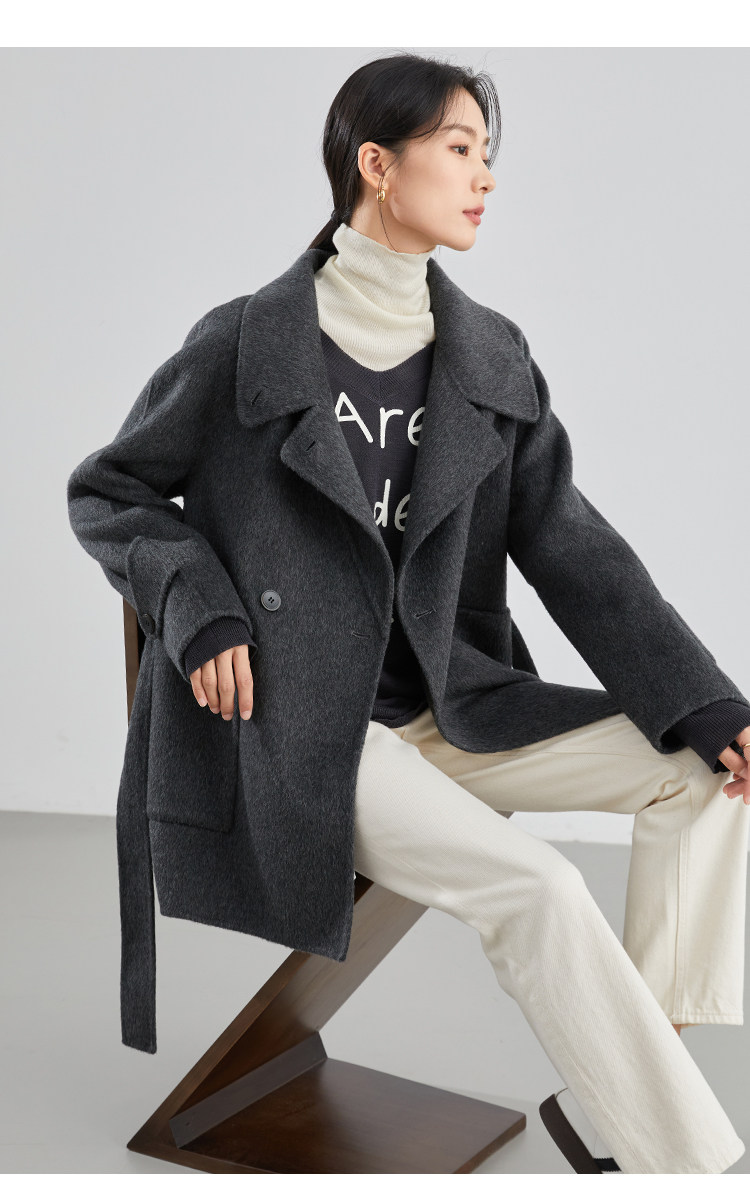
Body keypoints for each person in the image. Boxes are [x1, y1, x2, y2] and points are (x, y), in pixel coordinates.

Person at [68, 52, 750, 1173]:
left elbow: (576, 550)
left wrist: (707, 698)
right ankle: (684, 1159)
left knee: (706, 772)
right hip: (309, 729)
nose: (486, 177)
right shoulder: (246, 342)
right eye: (461, 148)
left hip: (454, 705)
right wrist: (201, 609)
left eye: (489, 154)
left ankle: (626, 1085)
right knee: (539, 886)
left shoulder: (490, 358)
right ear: (378, 166)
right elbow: (109, 491)